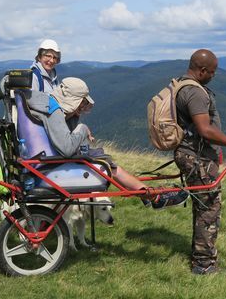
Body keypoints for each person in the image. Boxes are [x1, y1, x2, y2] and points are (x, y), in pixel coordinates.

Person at [24, 77, 187, 209]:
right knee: (109, 166)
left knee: (105, 159)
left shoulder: (43, 102)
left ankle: (145, 192)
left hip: (47, 156)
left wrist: (74, 119)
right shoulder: (55, 112)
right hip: (55, 163)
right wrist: (82, 128)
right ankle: (153, 196)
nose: (82, 106)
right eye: (80, 102)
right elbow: (66, 148)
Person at [174, 49, 226, 275]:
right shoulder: (195, 92)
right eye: (212, 72)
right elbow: (205, 130)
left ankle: (200, 256)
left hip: (189, 153)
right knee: (209, 208)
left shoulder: (179, 84)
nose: (213, 76)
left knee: (203, 206)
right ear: (201, 70)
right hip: (196, 157)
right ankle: (204, 265)